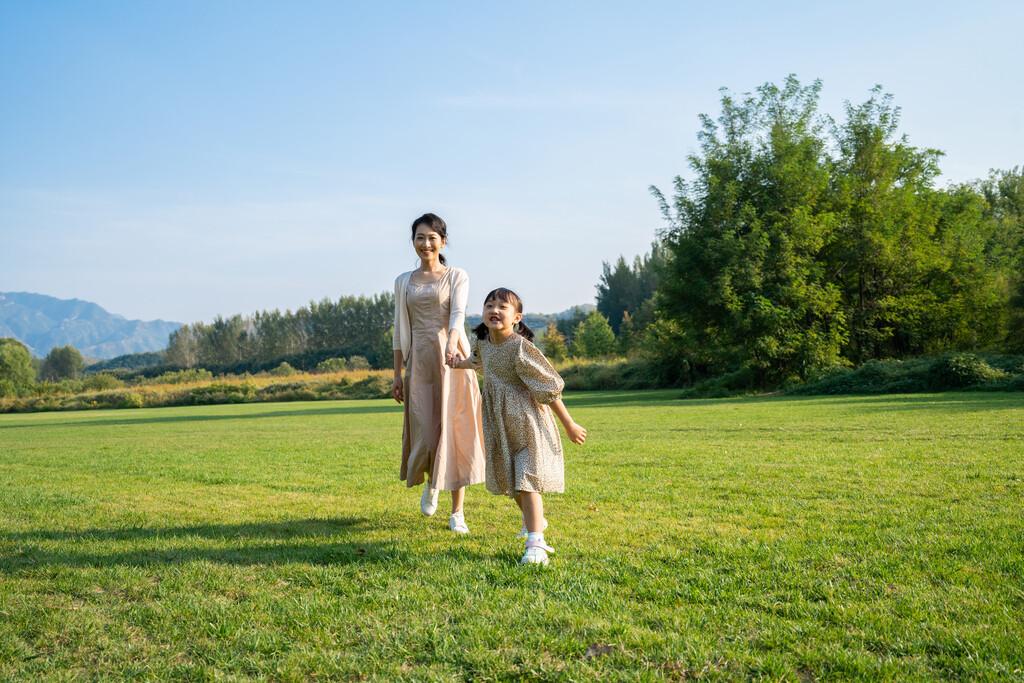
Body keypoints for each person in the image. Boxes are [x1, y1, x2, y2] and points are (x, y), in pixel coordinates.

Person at [448, 287, 586, 565]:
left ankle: (536, 543)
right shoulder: (483, 345)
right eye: (489, 305)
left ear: (517, 318)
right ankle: (534, 520)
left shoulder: (521, 348)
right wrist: (456, 363)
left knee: (527, 480)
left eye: (502, 307)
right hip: (499, 424)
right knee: (513, 481)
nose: (494, 310)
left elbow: (549, 388)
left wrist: (569, 423)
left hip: (529, 423)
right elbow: (476, 363)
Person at [391, 213, 485, 534]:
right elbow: (397, 331)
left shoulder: (457, 275)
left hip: (452, 360)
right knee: (426, 432)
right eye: (420, 237)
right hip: (419, 363)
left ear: (443, 242)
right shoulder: (403, 281)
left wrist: (453, 342)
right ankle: (432, 483)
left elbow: (458, 313)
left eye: (432, 238)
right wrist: (395, 374)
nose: (426, 243)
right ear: (413, 242)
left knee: (456, 434)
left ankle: (457, 513)